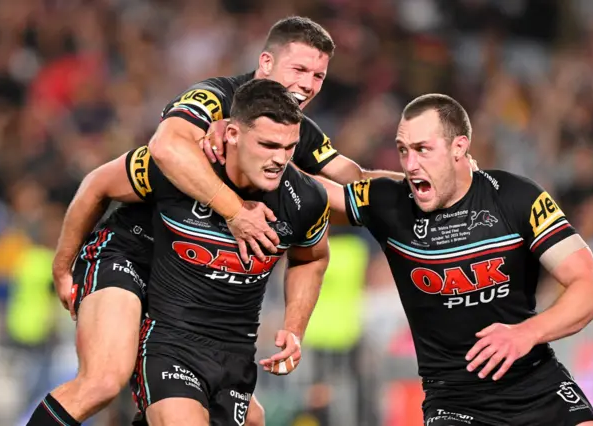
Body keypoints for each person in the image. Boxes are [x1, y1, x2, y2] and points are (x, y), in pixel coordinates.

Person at [41, 16, 401, 426]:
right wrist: (234, 211)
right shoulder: (215, 98)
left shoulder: (295, 132)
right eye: (299, 69)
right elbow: (162, 148)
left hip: (192, 283)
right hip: (133, 252)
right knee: (104, 380)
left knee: (246, 418)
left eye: (318, 75)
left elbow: (353, 181)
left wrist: (430, 183)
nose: (308, 84)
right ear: (265, 63)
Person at [34, 79, 331, 426]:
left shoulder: (306, 199)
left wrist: (294, 327)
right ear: (231, 133)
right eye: (267, 145)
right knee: (103, 380)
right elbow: (96, 185)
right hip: (129, 263)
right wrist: (62, 268)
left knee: (253, 419)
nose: (279, 159)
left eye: (289, 148)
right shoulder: (180, 164)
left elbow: (312, 257)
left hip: (226, 347)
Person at [319, 93, 593, 426]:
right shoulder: (390, 203)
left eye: (422, 149)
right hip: (456, 401)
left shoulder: (517, 197)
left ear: (459, 147)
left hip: (537, 385)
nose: (410, 164)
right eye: (403, 150)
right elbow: (311, 193)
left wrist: (527, 333)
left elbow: (592, 288)